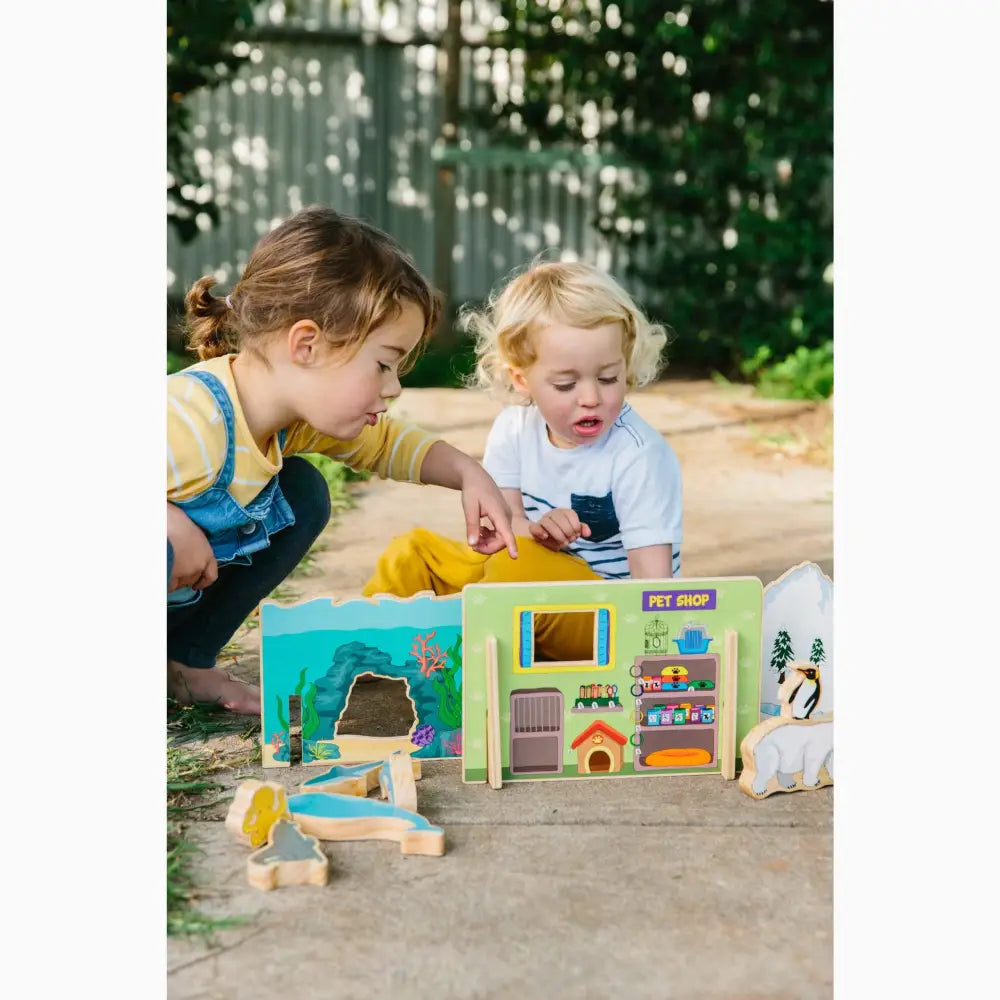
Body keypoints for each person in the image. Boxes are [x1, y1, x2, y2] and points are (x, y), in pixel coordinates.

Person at [167, 206, 517, 714]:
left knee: (302, 492)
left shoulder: (293, 421)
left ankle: (185, 662)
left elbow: (388, 445)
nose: (393, 387)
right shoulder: (190, 420)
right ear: (306, 344)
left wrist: (468, 473)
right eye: (382, 364)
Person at [363, 259, 682, 660]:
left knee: (515, 572)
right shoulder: (514, 426)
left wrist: (650, 661)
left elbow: (654, 589)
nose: (591, 397)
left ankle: (458, 649)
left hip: (607, 620)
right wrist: (539, 532)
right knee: (415, 552)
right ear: (521, 379)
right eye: (566, 383)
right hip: (528, 583)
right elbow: (509, 527)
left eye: (608, 378)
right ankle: (362, 650)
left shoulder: (639, 455)